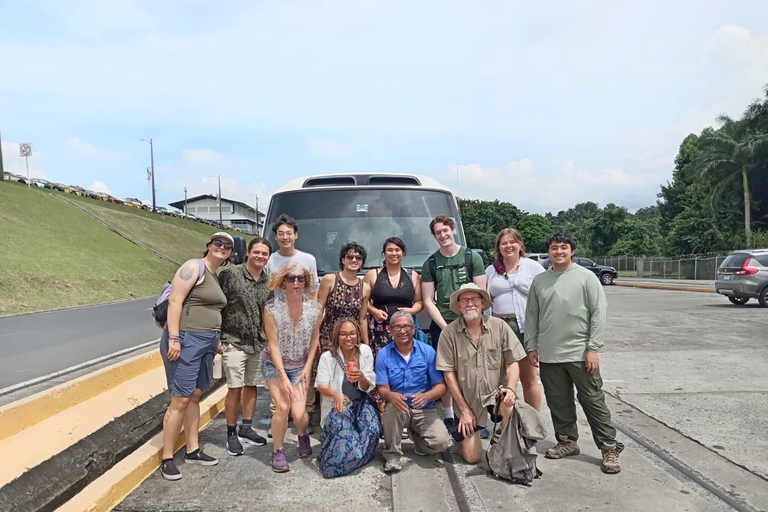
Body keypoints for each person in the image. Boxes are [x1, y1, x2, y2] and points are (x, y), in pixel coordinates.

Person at [525, 231, 624, 474]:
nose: (559, 252)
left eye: (563, 247)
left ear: (572, 251)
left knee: (592, 400)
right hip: (549, 354)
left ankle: (609, 447)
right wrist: (531, 345)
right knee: (559, 402)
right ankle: (567, 441)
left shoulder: (586, 277)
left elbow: (599, 313)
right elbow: (531, 316)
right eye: (554, 248)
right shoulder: (540, 281)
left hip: (581, 353)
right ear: (548, 251)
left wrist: (593, 347)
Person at [158, 232, 233, 481]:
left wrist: (217, 340)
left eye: (227, 246)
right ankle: (167, 457)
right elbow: (176, 300)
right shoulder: (194, 266)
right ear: (209, 246)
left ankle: (193, 449)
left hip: (207, 342)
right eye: (217, 243)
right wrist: (174, 338)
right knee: (180, 398)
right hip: (186, 340)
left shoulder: (213, 275)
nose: (222, 248)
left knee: (195, 395)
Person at [436, 283, 526, 464]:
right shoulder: (448, 333)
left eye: (475, 299)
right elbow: (448, 374)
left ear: (483, 303)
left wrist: (510, 388)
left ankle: (507, 444)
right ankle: (463, 429)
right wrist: (463, 409)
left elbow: (513, 362)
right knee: (472, 458)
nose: (470, 304)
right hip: (468, 401)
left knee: (508, 404)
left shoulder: (499, 326)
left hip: (495, 394)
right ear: (459, 306)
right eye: (465, 300)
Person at [420, 215, 486, 432]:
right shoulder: (430, 262)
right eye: (438, 232)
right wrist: (445, 326)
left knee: (474, 370)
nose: (443, 235)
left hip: (471, 322)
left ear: (453, 230)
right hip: (443, 324)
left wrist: (471, 322)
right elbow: (428, 300)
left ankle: (479, 416)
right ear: (434, 236)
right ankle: (449, 416)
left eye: (445, 230)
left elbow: (481, 295)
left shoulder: (471, 257)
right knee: (446, 370)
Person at [261, 262, 323, 473]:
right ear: (282, 282)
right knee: (282, 406)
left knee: (299, 414)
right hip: (274, 364)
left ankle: (303, 435)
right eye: (291, 278)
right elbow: (273, 345)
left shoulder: (316, 309)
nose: (296, 283)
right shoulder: (271, 309)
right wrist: (283, 377)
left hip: (300, 365)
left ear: (306, 282)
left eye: (300, 278)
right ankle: (278, 451)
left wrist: (307, 368)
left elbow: (315, 340)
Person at [376, 311, 452, 473]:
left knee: (441, 443)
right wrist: (390, 396)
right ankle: (392, 455)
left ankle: (418, 441)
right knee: (391, 409)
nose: (402, 331)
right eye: (397, 327)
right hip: (399, 406)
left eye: (406, 326)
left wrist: (428, 395)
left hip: (424, 408)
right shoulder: (383, 354)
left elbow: (441, 386)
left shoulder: (427, 351)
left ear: (413, 329)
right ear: (390, 329)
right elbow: (382, 388)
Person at [218, 236, 271, 456]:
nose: (260, 256)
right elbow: (218, 306)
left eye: (264, 254)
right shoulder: (230, 275)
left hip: (257, 343)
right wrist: (217, 339)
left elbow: (269, 314)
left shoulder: (269, 283)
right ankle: (231, 433)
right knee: (234, 387)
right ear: (248, 252)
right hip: (233, 340)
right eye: (256, 252)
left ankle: (246, 427)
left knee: (251, 386)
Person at [484, 228, 545, 412]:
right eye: (504, 243)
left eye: (512, 242)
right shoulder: (491, 270)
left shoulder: (532, 267)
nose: (508, 246)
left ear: (520, 244)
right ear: (498, 247)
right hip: (499, 327)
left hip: (524, 327)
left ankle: (531, 423)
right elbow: (486, 299)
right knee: (502, 379)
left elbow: (545, 294)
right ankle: (504, 421)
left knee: (528, 378)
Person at [316, 318, 381, 478]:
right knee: (344, 436)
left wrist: (362, 378)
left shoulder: (365, 351)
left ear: (358, 334)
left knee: (373, 430)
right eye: (343, 334)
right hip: (338, 404)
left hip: (360, 403)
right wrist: (336, 393)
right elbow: (321, 385)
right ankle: (346, 457)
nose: (348, 338)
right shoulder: (327, 357)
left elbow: (368, 386)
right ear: (336, 336)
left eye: (352, 333)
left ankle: (356, 456)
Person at [363, 237, 424, 409]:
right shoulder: (372, 274)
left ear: (403, 253)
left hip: (406, 331)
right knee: (382, 369)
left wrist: (409, 312)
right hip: (380, 331)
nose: (394, 253)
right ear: (384, 253)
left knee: (404, 367)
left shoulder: (413, 276)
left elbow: (420, 302)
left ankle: (404, 406)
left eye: (397, 250)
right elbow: (362, 300)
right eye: (390, 250)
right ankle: (383, 410)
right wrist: (373, 311)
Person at [265, 214, 319, 288]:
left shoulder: (309, 260)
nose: (285, 237)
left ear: (296, 235)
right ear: (275, 237)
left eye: (289, 233)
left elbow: (313, 289)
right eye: (281, 234)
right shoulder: (269, 261)